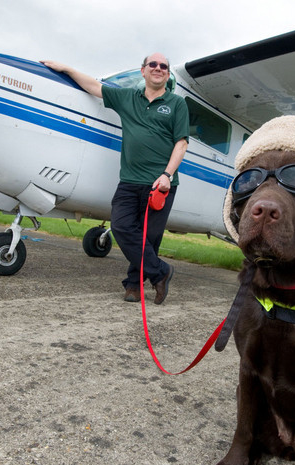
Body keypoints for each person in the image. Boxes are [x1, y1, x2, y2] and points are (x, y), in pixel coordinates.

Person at [42, 54, 189, 304]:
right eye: (152, 65)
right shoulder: (127, 98)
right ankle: (161, 272)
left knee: (149, 239)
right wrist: (66, 68)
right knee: (121, 227)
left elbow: (181, 143)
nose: (158, 68)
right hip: (130, 181)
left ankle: (133, 285)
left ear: (166, 74)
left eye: (163, 66)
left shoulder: (176, 104)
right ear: (143, 71)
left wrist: (167, 175)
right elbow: (94, 87)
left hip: (161, 184)